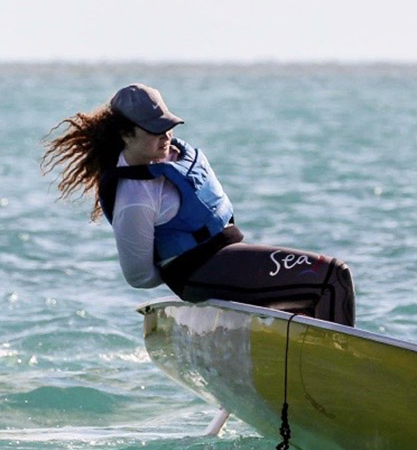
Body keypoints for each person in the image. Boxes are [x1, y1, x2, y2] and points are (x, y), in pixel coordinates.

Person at [41, 83, 355, 326]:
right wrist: (185, 267)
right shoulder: (134, 197)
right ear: (125, 134)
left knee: (312, 293)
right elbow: (138, 276)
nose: (165, 136)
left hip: (226, 260)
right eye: (154, 129)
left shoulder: (176, 155)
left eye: (167, 125)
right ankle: (344, 387)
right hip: (201, 274)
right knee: (331, 278)